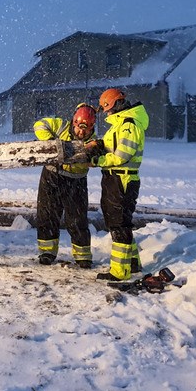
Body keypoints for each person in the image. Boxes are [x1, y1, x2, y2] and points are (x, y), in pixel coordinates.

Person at [85, 88, 149, 281]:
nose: (106, 113)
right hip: (114, 178)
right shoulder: (119, 125)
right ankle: (132, 263)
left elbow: (122, 156)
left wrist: (97, 161)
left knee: (119, 224)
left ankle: (120, 272)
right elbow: (112, 146)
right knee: (118, 223)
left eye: (107, 108)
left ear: (117, 105)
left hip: (122, 178)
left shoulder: (129, 125)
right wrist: (97, 145)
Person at [32, 103, 98, 268]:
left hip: (76, 181)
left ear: (92, 127)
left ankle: (83, 256)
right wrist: (50, 144)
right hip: (52, 176)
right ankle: (47, 252)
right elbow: (39, 125)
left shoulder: (94, 142)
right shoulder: (61, 125)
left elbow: (96, 160)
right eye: (79, 128)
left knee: (77, 219)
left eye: (86, 130)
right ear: (74, 122)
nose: (82, 133)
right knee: (47, 215)